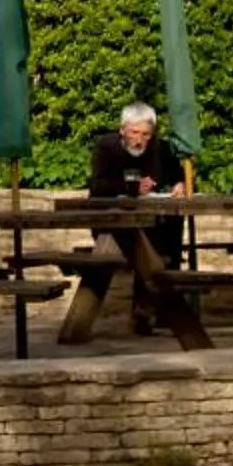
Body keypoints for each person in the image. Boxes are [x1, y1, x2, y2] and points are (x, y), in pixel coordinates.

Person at [88, 102, 187, 335]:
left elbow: (179, 176)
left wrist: (180, 185)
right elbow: (97, 185)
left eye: (146, 134)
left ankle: (152, 311)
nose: (139, 140)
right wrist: (130, 187)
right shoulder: (106, 147)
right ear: (122, 129)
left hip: (152, 222)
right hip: (112, 221)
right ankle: (150, 312)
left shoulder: (161, 148)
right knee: (148, 244)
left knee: (164, 231)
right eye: (134, 133)